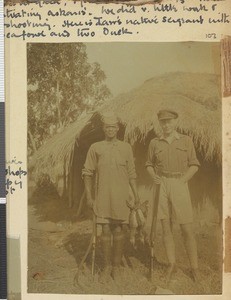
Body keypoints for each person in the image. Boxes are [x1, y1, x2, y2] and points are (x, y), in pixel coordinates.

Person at [82, 113, 140, 282]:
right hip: (103, 195)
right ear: (103, 129)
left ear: (118, 129)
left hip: (121, 196)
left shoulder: (126, 148)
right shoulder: (95, 147)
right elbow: (87, 172)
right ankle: (107, 267)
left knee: (119, 229)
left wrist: (136, 195)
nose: (110, 129)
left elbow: (132, 174)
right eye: (107, 127)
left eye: (113, 127)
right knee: (106, 229)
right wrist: (89, 196)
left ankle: (116, 267)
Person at [145, 109, 200, 283]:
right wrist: (152, 174)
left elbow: (194, 165)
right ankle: (171, 264)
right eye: (163, 122)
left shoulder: (186, 140)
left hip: (179, 182)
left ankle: (194, 268)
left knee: (186, 227)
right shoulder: (155, 143)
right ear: (160, 123)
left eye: (169, 121)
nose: (166, 125)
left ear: (175, 122)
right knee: (165, 225)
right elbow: (148, 164)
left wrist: (183, 180)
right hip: (161, 184)